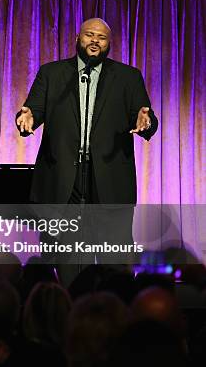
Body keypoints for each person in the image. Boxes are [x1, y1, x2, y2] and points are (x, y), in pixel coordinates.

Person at [16, 18, 158, 281]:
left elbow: (145, 116)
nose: (95, 41)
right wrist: (27, 120)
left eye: (101, 37)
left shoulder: (128, 76)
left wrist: (146, 122)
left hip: (109, 182)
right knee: (66, 262)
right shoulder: (51, 73)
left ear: (109, 44)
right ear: (78, 38)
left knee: (114, 266)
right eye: (90, 35)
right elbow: (31, 110)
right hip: (63, 184)